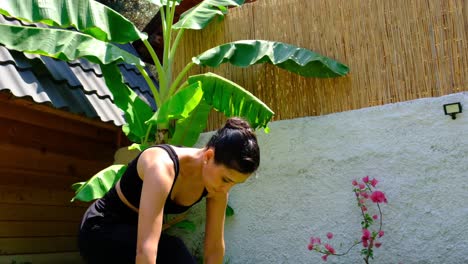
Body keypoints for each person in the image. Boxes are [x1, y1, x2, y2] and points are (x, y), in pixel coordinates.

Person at [78, 117, 260, 264]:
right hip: (101, 230)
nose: (226, 188)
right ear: (209, 156)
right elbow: (146, 250)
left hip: (133, 234)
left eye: (234, 184)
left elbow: (213, 248)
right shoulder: (162, 167)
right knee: (174, 253)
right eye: (226, 179)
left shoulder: (217, 186)